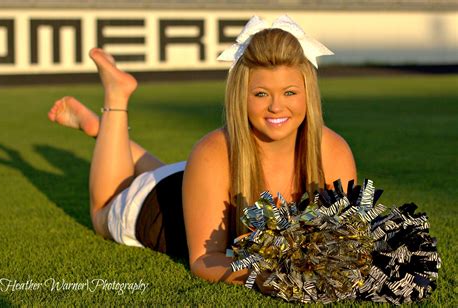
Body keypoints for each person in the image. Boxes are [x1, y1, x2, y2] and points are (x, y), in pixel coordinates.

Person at [48, 15, 356, 287]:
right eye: (261, 94)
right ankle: (116, 99)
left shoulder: (333, 151)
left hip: (198, 181)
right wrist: (266, 276)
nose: (277, 106)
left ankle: (98, 129)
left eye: (290, 92)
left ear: (308, 95)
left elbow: (345, 241)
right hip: (162, 205)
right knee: (103, 212)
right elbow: (203, 260)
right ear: (241, 95)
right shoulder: (213, 151)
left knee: (174, 171)